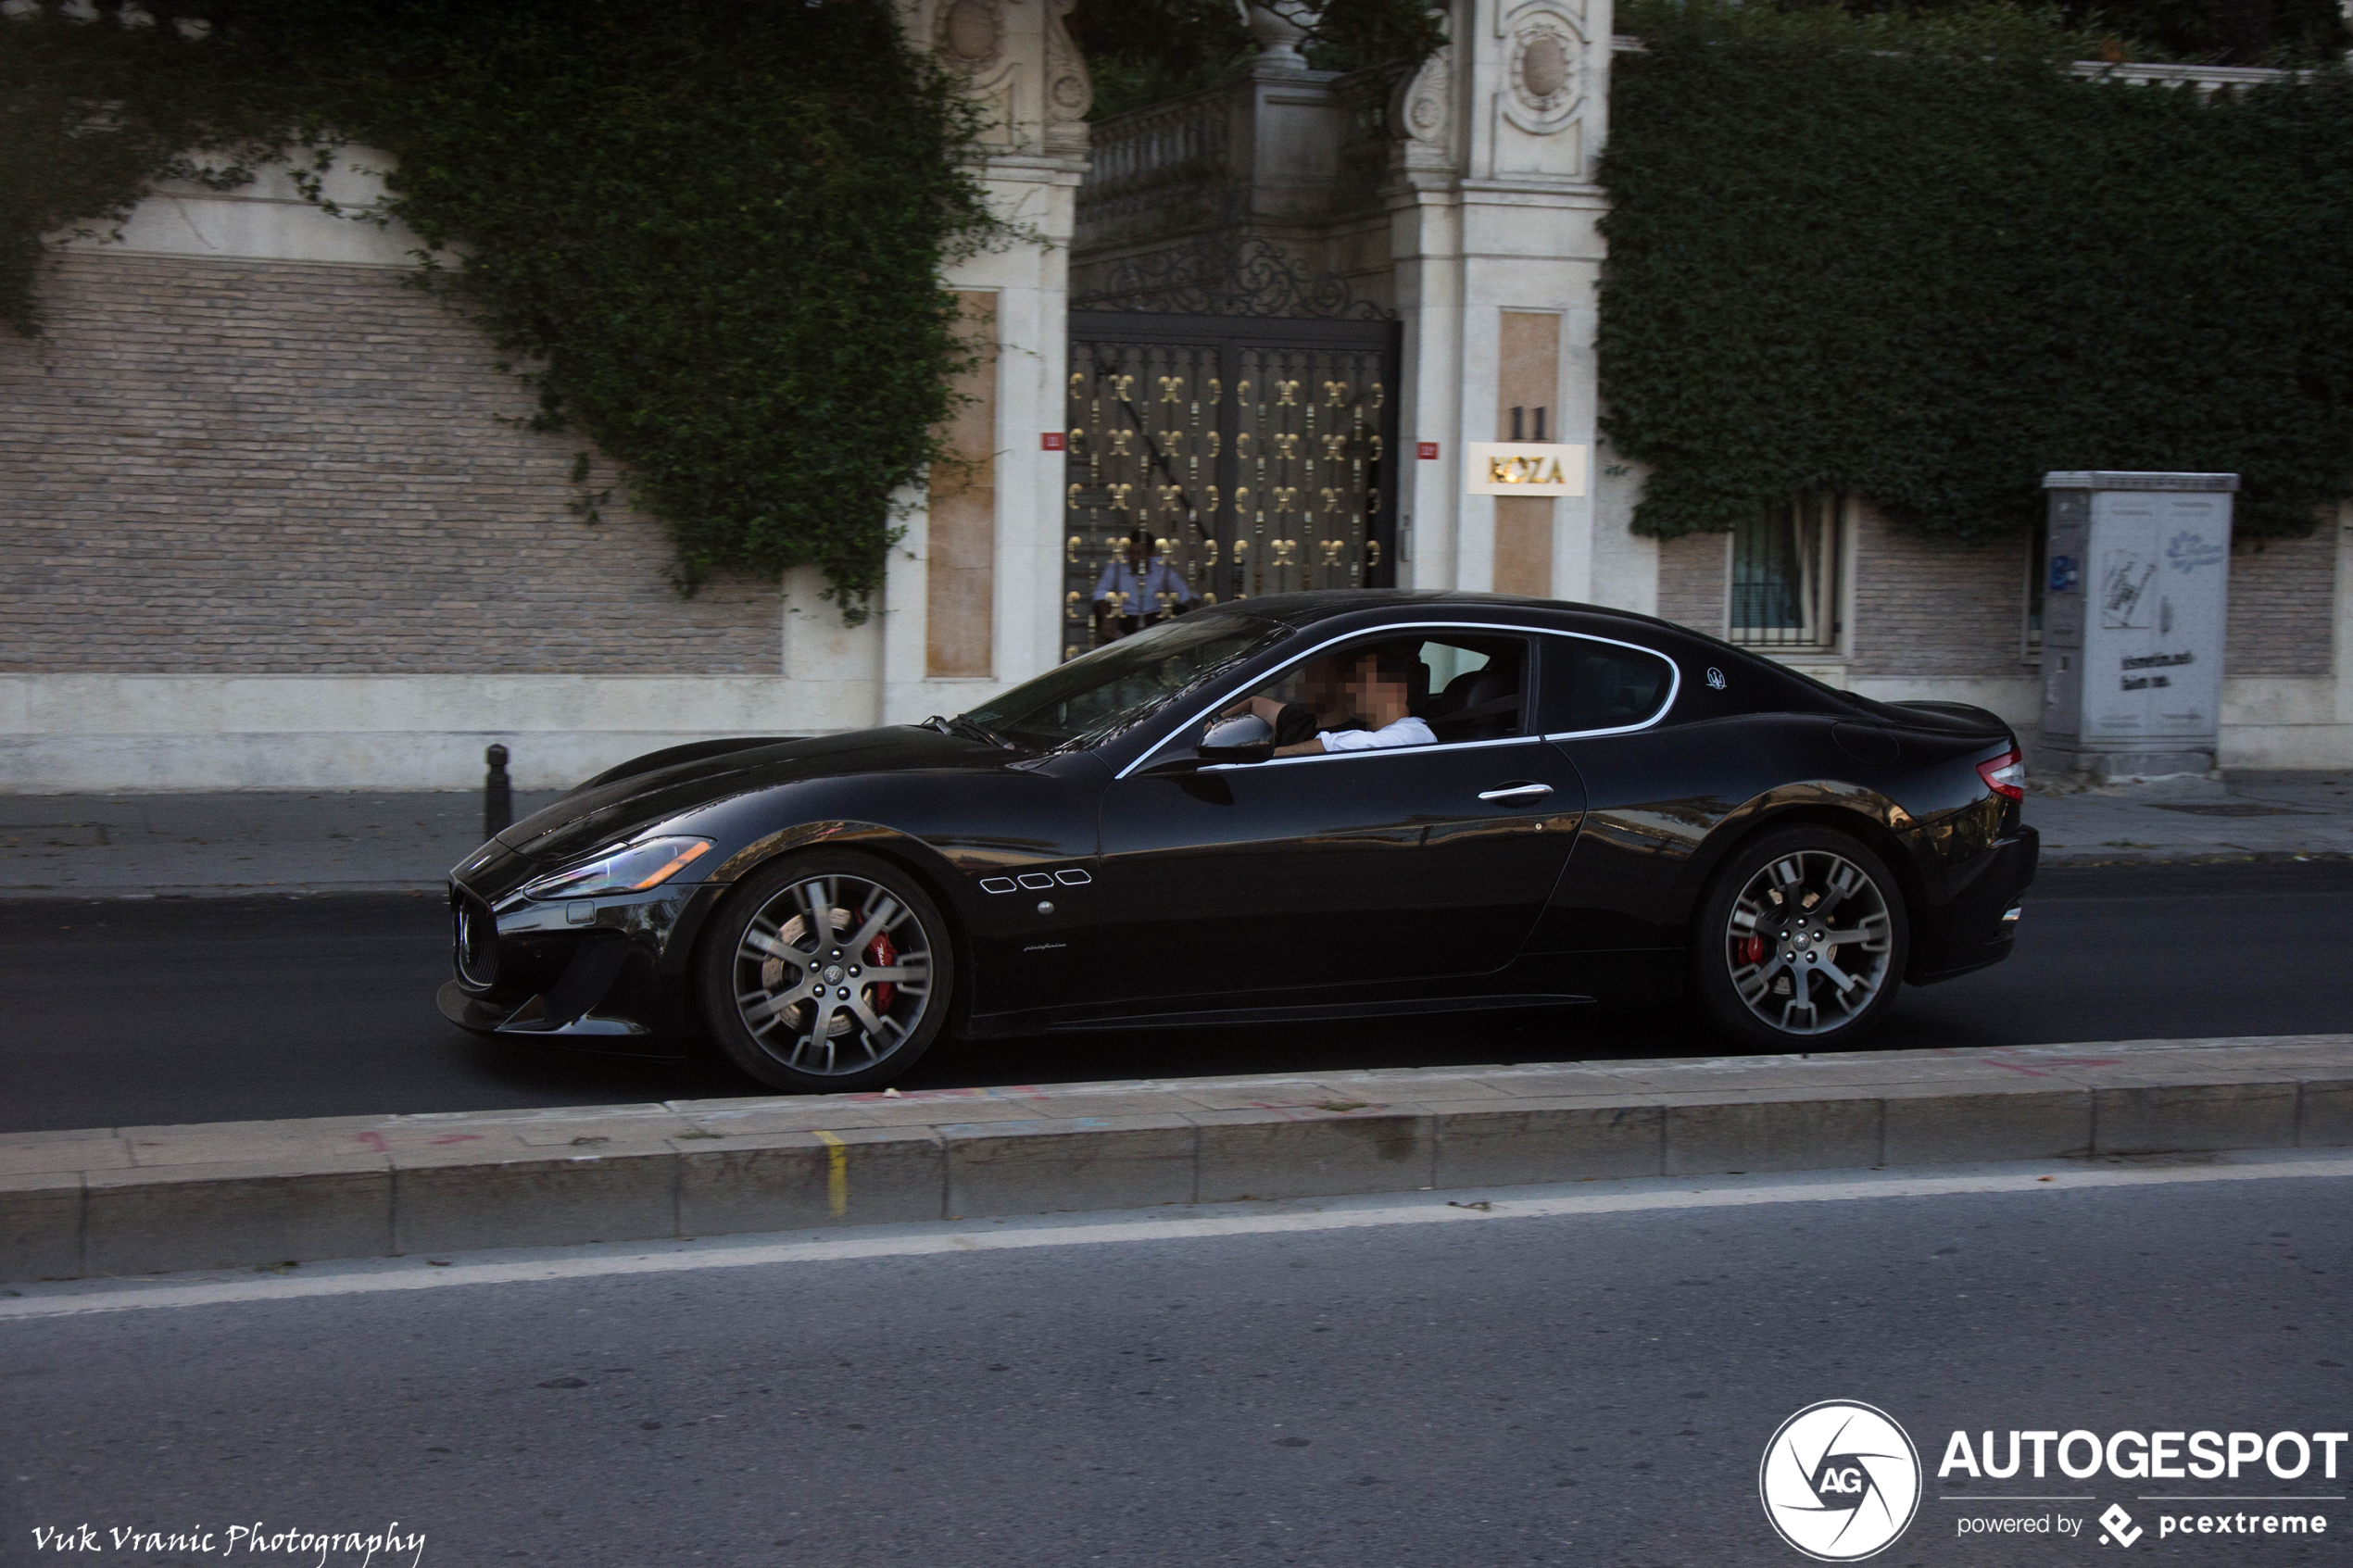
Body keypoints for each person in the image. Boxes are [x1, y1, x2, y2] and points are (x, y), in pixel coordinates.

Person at [1225, 643, 1434, 757]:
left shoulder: (1415, 735)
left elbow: (1342, 745)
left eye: (1361, 679)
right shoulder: (1377, 736)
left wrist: (1262, 757)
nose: (1349, 687)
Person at [1092, 531, 1198, 645]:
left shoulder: (1161, 569)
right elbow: (1100, 592)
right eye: (1131, 552)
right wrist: (1106, 616)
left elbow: (1186, 593)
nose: (1133, 557)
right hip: (1127, 617)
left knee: (1181, 609)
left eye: (1138, 553)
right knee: (1099, 609)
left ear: (1149, 554)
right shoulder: (1116, 567)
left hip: (1153, 618)